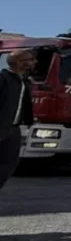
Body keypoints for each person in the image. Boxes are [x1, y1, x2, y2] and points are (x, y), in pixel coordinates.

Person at [0, 49, 35, 191]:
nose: (34, 62)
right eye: (30, 60)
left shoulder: (23, 81)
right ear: (20, 63)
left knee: (9, 165)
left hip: (13, 130)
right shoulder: (3, 79)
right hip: (1, 127)